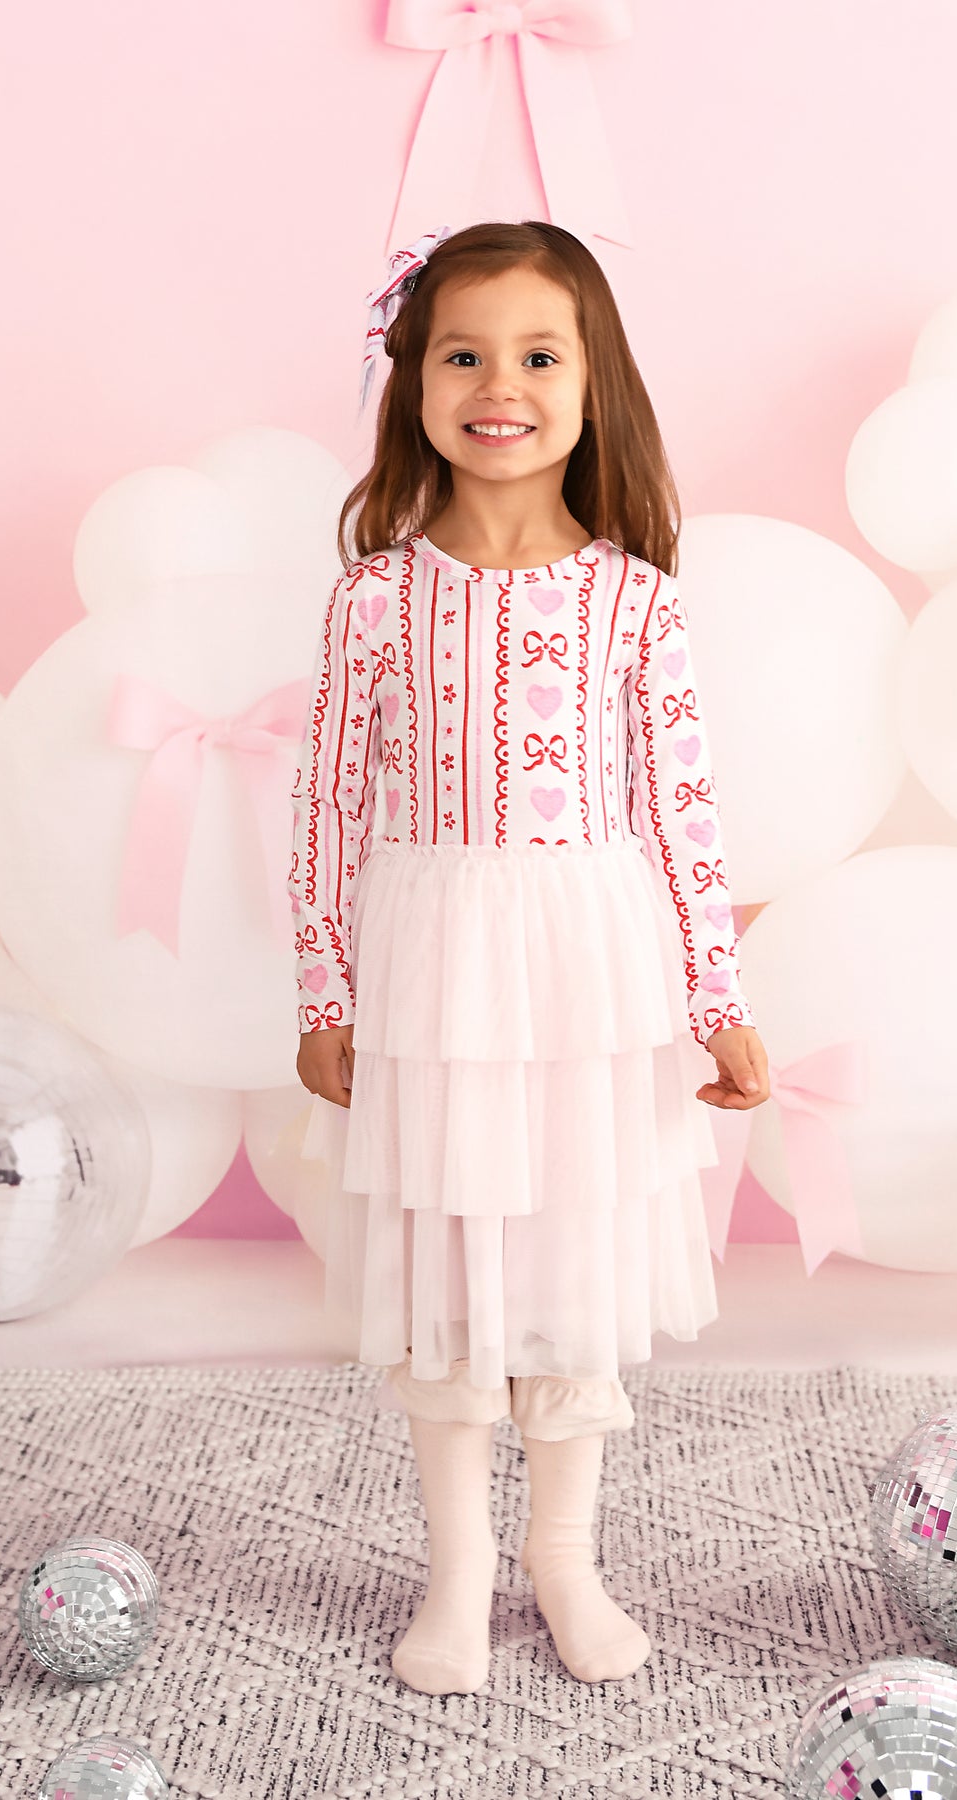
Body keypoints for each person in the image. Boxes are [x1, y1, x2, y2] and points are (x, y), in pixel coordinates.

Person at [287, 220, 768, 1698]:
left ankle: (565, 1558)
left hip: (589, 973)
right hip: (433, 970)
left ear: (593, 379)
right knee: (446, 1273)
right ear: (416, 381)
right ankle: (455, 1570)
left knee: (568, 1265)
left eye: (539, 355)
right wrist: (323, 988)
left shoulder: (635, 600)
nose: (501, 385)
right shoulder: (377, 597)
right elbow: (327, 802)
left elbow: (682, 808)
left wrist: (718, 1002)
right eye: (464, 355)